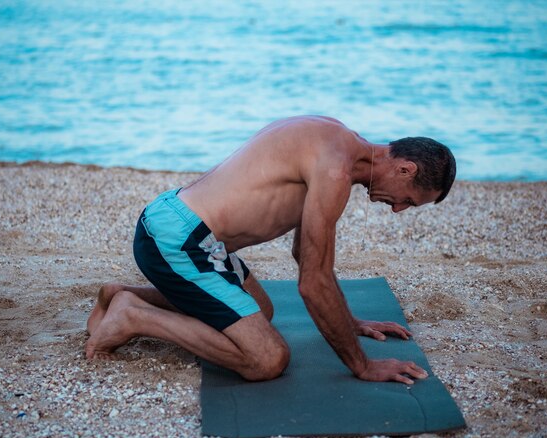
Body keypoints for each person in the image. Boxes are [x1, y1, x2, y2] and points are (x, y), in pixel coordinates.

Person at [86, 115, 456, 385]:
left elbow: (303, 252)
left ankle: (121, 295)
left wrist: (348, 322)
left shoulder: (336, 138)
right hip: (176, 240)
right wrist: (362, 365)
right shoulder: (335, 171)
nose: (397, 209)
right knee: (267, 359)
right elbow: (313, 282)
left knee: (262, 309)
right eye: (409, 200)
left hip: (190, 230)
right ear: (406, 169)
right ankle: (134, 317)